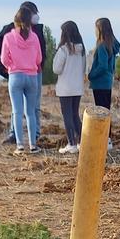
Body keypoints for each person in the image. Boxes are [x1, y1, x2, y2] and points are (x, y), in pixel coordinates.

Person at [0, 1, 45, 144]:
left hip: (28, 72)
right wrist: (7, 67)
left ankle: (32, 136)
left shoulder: (37, 30)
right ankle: (16, 135)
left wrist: (11, 65)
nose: (36, 16)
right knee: (24, 108)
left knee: (25, 107)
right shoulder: (9, 30)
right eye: (34, 12)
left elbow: (41, 53)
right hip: (26, 72)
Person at [52, 21, 86, 154]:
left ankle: (71, 143)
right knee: (75, 115)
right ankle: (83, 141)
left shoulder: (63, 49)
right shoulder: (81, 50)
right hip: (77, 87)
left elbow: (56, 69)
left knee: (67, 116)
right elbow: (83, 69)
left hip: (65, 88)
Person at [87, 17, 119, 148]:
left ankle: (105, 139)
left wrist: (91, 75)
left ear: (99, 29)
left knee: (101, 111)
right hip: (107, 82)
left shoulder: (101, 46)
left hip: (99, 83)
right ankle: (108, 138)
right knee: (106, 110)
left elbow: (102, 66)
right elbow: (111, 67)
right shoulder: (112, 45)